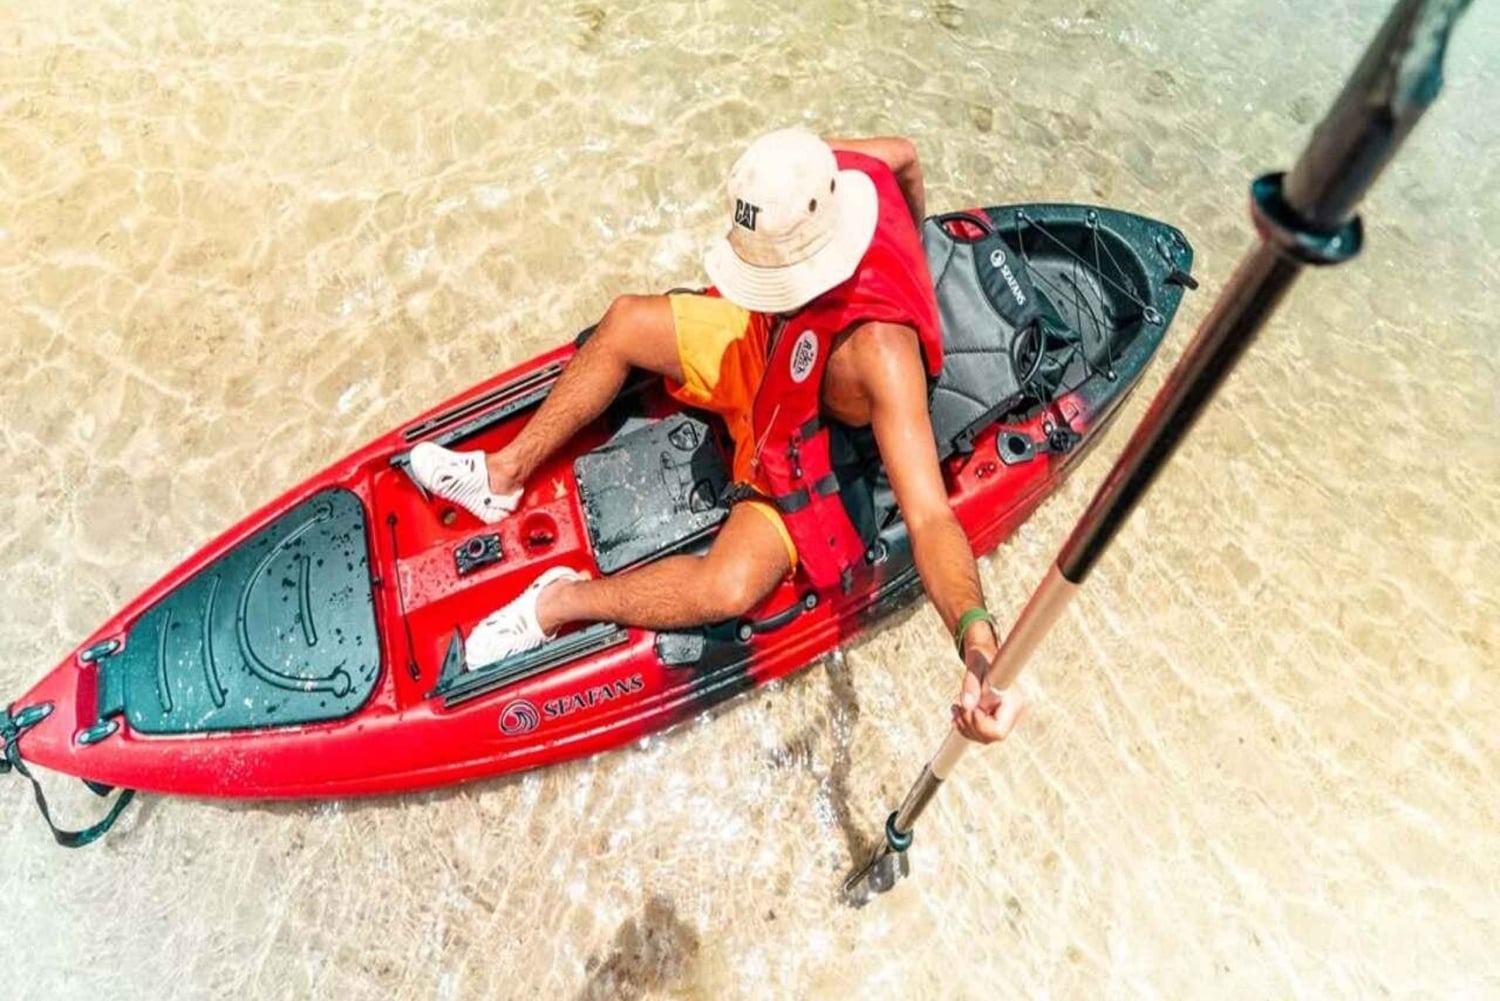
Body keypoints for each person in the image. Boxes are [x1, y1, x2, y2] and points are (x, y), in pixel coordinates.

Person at [410, 128, 1025, 744]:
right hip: (766, 349)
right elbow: (908, 153)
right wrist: (912, 247)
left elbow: (929, 517)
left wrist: (976, 639)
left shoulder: (879, 355)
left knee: (728, 587)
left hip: (811, 434)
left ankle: (558, 602)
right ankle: (501, 477)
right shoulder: (819, 175)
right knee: (626, 322)